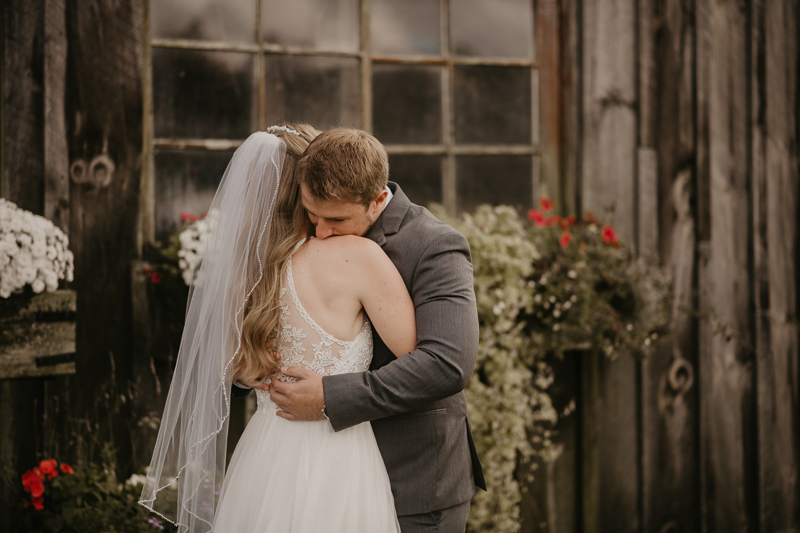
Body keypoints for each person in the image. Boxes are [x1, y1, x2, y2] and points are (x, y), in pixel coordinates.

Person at [140, 124, 415, 532]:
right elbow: (415, 356)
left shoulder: (244, 275)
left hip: (265, 451)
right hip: (338, 453)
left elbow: (236, 370)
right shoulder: (359, 256)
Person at [253, 127, 487, 532]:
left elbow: (448, 363)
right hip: (315, 476)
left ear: (378, 200)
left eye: (337, 219)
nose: (321, 231)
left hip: (413, 484)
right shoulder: (307, 235)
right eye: (312, 214)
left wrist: (329, 396)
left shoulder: (435, 246)